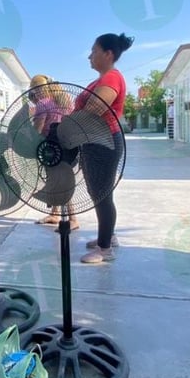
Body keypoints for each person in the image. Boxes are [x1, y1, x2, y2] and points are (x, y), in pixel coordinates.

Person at [77, 33, 132, 264]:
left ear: (108, 54)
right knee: (98, 192)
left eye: (94, 50)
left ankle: (105, 248)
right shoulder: (101, 79)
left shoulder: (111, 78)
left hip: (104, 142)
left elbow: (95, 108)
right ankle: (107, 236)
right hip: (94, 142)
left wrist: (67, 127)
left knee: (102, 194)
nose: (90, 56)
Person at [29, 74, 79, 230]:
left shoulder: (43, 104)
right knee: (61, 179)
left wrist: (28, 141)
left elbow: (37, 129)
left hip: (51, 149)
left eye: (34, 91)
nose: (33, 95)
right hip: (69, 146)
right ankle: (55, 214)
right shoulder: (65, 100)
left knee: (60, 182)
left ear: (38, 90)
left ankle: (73, 218)